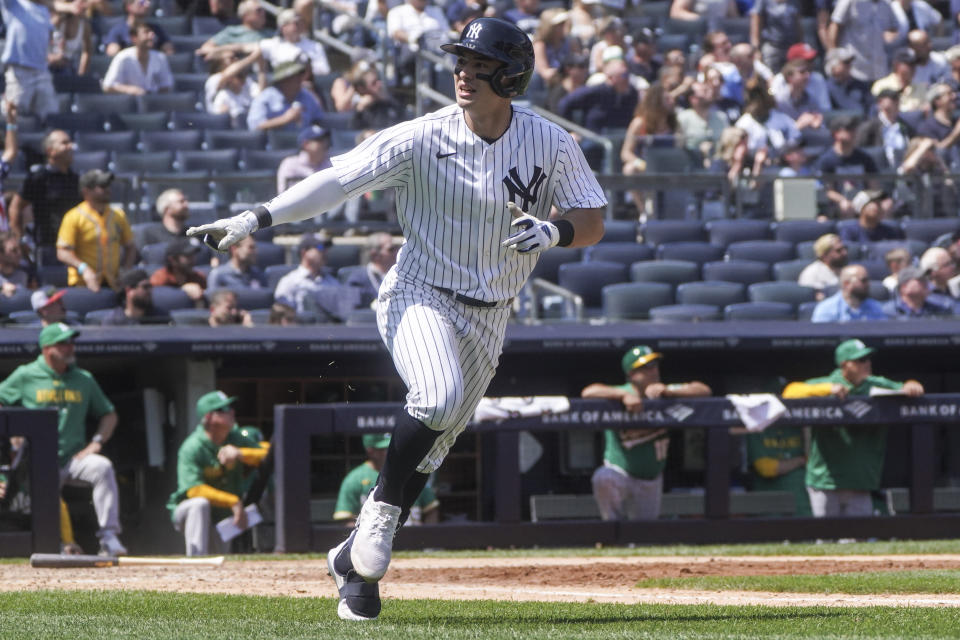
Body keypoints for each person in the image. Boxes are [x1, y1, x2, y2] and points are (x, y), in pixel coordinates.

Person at [187, 17, 605, 622]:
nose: (462, 71)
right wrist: (256, 218)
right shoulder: (419, 136)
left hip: (493, 315)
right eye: (459, 60)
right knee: (435, 397)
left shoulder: (551, 141)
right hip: (420, 293)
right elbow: (336, 182)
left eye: (477, 61)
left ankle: (352, 567)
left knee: (426, 459)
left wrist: (553, 230)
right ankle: (376, 527)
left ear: (510, 72)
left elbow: (592, 220)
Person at [0, 323, 128, 555]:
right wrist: (14, 430)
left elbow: (109, 414)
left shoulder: (84, 378)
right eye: (63, 343)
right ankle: (61, 545)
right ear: (47, 348)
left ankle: (109, 537)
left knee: (102, 467)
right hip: (37, 462)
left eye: (71, 342)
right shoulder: (26, 374)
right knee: (40, 502)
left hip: (73, 458)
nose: (70, 347)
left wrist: (96, 442)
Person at [782, 339, 924, 517]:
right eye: (860, 361)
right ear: (844, 365)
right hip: (825, 481)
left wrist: (912, 385)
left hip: (860, 481)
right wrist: (828, 389)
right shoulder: (829, 382)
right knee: (826, 540)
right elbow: (790, 392)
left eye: (868, 359)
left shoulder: (875, 383)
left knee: (859, 540)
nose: (867, 364)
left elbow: (906, 387)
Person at [581, 345, 711, 521]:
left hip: (650, 479)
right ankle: (611, 529)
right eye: (645, 367)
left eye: (654, 365)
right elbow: (588, 391)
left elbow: (703, 390)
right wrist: (622, 396)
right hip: (620, 472)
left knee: (644, 535)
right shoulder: (622, 391)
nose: (653, 370)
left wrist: (671, 392)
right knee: (603, 478)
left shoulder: (664, 390)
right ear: (631, 374)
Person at [166, 391, 268, 556]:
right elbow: (194, 490)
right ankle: (195, 559)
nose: (231, 412)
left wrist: (241, 453)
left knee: (219, 560)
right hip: (188, 512)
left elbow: (270, 454)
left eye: (230, 408)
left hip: (223, 518)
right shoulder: (192, 447)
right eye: (223, 409)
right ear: (208, 417)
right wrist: (233, 501)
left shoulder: (234, 437)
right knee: (200, 504)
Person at [333, 433, 439, 526]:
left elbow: (431, 509)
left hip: (412, 537)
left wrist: (427, 542)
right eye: (386, 449)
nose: (393, 451)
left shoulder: (412, 472)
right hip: (374, 537)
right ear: (371, 451)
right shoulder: (355, 479)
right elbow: (346, 519)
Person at [56, 169, 136, 292]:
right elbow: (63, 252)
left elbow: (130, 246)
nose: (107, 189)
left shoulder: (118, 215)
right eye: (102, 186)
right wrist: (84, 269)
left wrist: (125, 270)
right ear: (86, 191)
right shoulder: (74, 216)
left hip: (113, 283)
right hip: (83, 284)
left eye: (108, 185)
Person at [8, 129, 79, 255]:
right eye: (64, 143)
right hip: (48, 247)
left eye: (70, 142)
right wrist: (20, 239)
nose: (71, 146)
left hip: (74, 246)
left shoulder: (76, 179)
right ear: (50, 151)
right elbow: (15, 208)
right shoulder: (39, 179)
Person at [274, 233, 360, 320]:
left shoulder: (332, 282)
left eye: (326, 248)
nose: (325, 251)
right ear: (304, 252)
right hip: (300, 331)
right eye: (320, 247)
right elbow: (283, 317)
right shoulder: (289, 281)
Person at [0, 0, 58, 122]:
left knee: (51, 115)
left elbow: (50, 37)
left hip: (42, 71)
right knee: (11, 114)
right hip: (20, 71)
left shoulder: (44, 10)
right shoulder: (15, 4)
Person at [816, 116, 880, 218]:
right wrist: (843, 200)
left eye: (854, 129)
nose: (853, 133)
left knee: (885, 205)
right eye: (848, 129)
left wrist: (867, 199)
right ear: (836, 133)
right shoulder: (827, 160)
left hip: (863, 200)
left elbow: (874, 185)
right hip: (838, 205)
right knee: (846, 207)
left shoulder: (864, 158)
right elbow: (828, 191)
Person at [827, 0, 898, 84]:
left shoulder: (886, 4)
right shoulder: (849, 1)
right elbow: (835, 25)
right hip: (853, 69)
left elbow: (894, 28)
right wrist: (834, 59)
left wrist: (891, 36)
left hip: (879, 70)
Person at [246, 58, 325, 132]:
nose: (299, 80)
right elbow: (254, 126)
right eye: (293, 77)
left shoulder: (306, 95)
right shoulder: (265, 98)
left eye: (299, 76)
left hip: (305, 143)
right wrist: (284, 119)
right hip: (275, 144)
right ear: (283, 81)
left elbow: (319, 119)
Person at [102, 21, 174, 96]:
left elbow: (167, 85)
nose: (151, 36)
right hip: (128, 104)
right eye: (146, 32)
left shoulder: (160, 58)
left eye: (152, 33)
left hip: (154, 104)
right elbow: (107, 86)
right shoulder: (122, 57)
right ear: (134, 38)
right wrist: (130, 90)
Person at [258, 8, 330, 78]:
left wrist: (306, 69)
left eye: (302, 21)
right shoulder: (272, 44)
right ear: (283, 27)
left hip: (312, 84)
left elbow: (325, 71)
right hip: (284, 85)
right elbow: (254, 49)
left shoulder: (315, 46)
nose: (300, 24)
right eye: (296, 23)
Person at [855, 88, 914, 170]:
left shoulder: (905, 126)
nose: (895, 101)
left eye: (896, 98)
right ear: (880, 103)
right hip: (879, 171)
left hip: (904, 167)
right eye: (892, 98)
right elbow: (859, 150)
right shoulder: (869, 127)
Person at [196, 0, 271, 62]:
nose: (263, 13)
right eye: (259, 10)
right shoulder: (232, 32)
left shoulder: (272, 34)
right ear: (246, 15)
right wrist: (225, 53)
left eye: (263, 10)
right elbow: (205, 49)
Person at [811, 264, 889, 322]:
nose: (868, 284)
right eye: (863, 280)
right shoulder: (826, 309)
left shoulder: (876, 308)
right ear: (846, 284)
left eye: (868, 280)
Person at [342, 232, 398, 308]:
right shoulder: (357, 279)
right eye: (391, 249)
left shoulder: (401, 276)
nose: (397, 252)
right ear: (374, 254)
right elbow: (352, 308)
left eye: (397, 248)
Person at [103, 0, 174, 58]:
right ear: (129, 6)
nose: (147, 5)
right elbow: (112, 54)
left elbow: (169, 52)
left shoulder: (156, 29)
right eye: (142, 2)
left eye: (148, 1)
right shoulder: (118, 30)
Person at [101, 267, 168, 325]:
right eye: (145, 287)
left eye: (150, 287)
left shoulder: (160, 317)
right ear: (129, 290)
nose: (150, 291)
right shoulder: (114, 321)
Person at [149, 239, 207, 305]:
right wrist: (182, 291)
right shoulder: (160, 278)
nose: (193, 260)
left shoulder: (199, 277)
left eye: (193, 255)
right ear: (173, 260)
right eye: (187, 256)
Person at [750, 0, 803, 73]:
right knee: (771, 76)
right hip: (772, 47)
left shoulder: (794, 2)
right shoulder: (763, 1)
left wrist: (801, 45)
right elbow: (756, 26)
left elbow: (798, 25)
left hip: (792, 48)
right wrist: (756, 49)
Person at [277, 125, 333, 193]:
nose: (325, 143)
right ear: (306, 144)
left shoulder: (330, 165)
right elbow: (283, 194)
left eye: (326, 140)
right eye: (319, 140)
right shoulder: (290, 164)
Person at [883, 265, 954, 318]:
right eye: (920, 280)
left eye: (926, 280)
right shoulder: (888, 312)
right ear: (904, 287)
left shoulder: (939, 310)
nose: (926, 283)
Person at [837, 189, 903, 245]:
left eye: (879, 203)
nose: (878, 207)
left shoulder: (890, 232)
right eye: (874, 203)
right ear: (862, 207)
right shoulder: (849, 231)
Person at [870, 48, 926, 113]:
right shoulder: (881, 86)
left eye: (914, 65)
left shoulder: (921, 88)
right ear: (897, 65)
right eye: (909, 64)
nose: (913, 68)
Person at [799, 233, 848, 298]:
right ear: (824, 255)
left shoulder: (848, 271)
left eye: (844, 248)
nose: (845, 253)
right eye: (838, 251)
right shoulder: (811, 273)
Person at [824, 46, 872, 113]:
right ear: (833, 66)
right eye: (846, 62)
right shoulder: (826, 88)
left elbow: (871, 106)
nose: (849, 65)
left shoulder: (860, 85)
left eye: (850, 62)